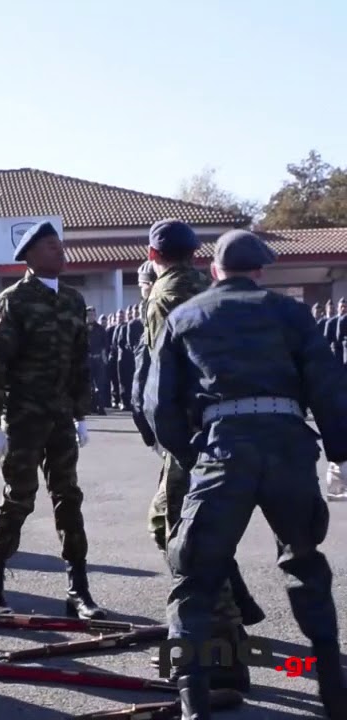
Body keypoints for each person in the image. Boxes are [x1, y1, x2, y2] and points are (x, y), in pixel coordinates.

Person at [143, 230, 347, 718]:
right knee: (305, 566)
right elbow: (329, 384)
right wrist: (339, 455)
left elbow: (156, 404)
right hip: (288, 449)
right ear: (261, 271)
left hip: (223, 449)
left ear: (214, 270)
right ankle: (335, 697)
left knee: (193, 577)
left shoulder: (184, 315)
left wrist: (193, 458)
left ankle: (194, 705)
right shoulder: (291, 312)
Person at [131, 220, 265, 682]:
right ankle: (234, 614)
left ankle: (216, 659)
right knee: (167, 524)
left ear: (153, 256)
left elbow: (161, 375)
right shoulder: (210, 288)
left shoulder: (162, 294)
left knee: (187, 543)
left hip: (190, 435)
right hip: (223, 425)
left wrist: (166, 437)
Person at [0, 221, 104, 619]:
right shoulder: (13, 301)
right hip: (23, 417)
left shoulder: (71, 300)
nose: (60, 253)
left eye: (60, 246)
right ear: (29, 255)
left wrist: (81, 414)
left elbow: (80, 362)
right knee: (19, 499)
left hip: (61, 416)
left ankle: (78, 590)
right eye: (51, 247)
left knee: (69, 498)